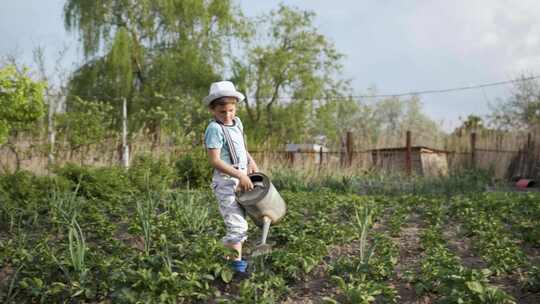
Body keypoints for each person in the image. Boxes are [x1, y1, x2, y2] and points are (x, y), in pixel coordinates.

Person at [203, 80, 259, 279]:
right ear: (212, 110)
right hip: (227, 181)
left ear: (235, 107)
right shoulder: (214, 129)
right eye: (222, 112)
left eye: (231, 110)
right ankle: (236, 268)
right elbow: (215, 160)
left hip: (241, 178)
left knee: (242, 223)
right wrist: (240, 175)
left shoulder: (238, 123)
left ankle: (225, 263)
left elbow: (242, 148)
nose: (228, 115)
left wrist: (251, 163)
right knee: (237, 226)